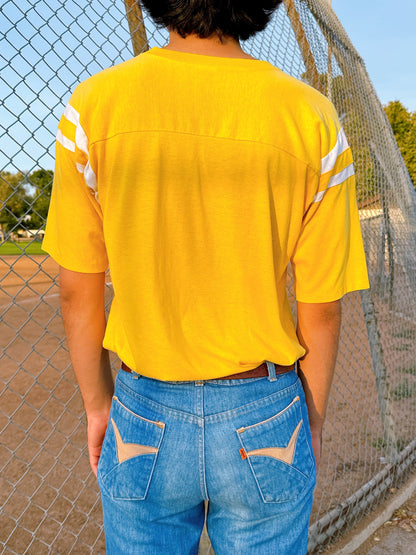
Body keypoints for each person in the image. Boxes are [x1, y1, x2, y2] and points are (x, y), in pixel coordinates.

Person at [42, 0, 369, 553]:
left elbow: (78, 286)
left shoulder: (94, 107)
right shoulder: (310, 115)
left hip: (143, 406)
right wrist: (308, 419)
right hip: (265, 405)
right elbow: (322, 305)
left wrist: (100, 405)